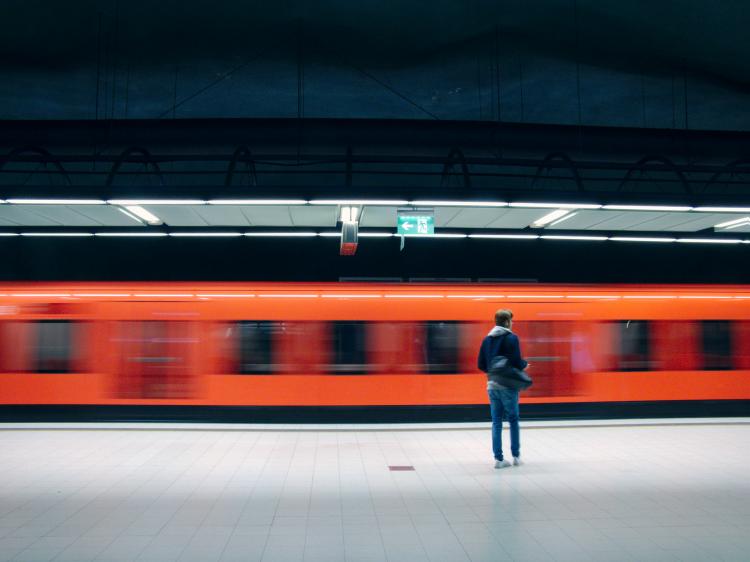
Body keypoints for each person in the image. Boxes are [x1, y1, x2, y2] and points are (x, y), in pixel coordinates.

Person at [477, 309, 528, 469]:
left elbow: (480, 364)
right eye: (511, 321)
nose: (512, 324)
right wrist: (524, 365)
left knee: (496, 422)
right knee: (513, 420)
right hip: (508, 386)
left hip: (492, 386)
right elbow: (516, 361)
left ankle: (499, 460)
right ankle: (516, 456)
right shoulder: (512, 338)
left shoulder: (486, 340)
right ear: (507, 322)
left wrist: (494, 373)